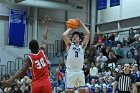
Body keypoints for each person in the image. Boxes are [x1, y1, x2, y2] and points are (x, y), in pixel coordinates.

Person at [62, 18, 90, 93]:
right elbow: (64, 35)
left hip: (79, 71)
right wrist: (70, 28)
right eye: (73, 36)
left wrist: (81, 23)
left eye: (76, 36)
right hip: (70, 71)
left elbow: (88, 34)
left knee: (82, 91)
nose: (74, 37)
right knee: (69, 91)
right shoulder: (69, 45)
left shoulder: (82, 46)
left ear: (80, 39)